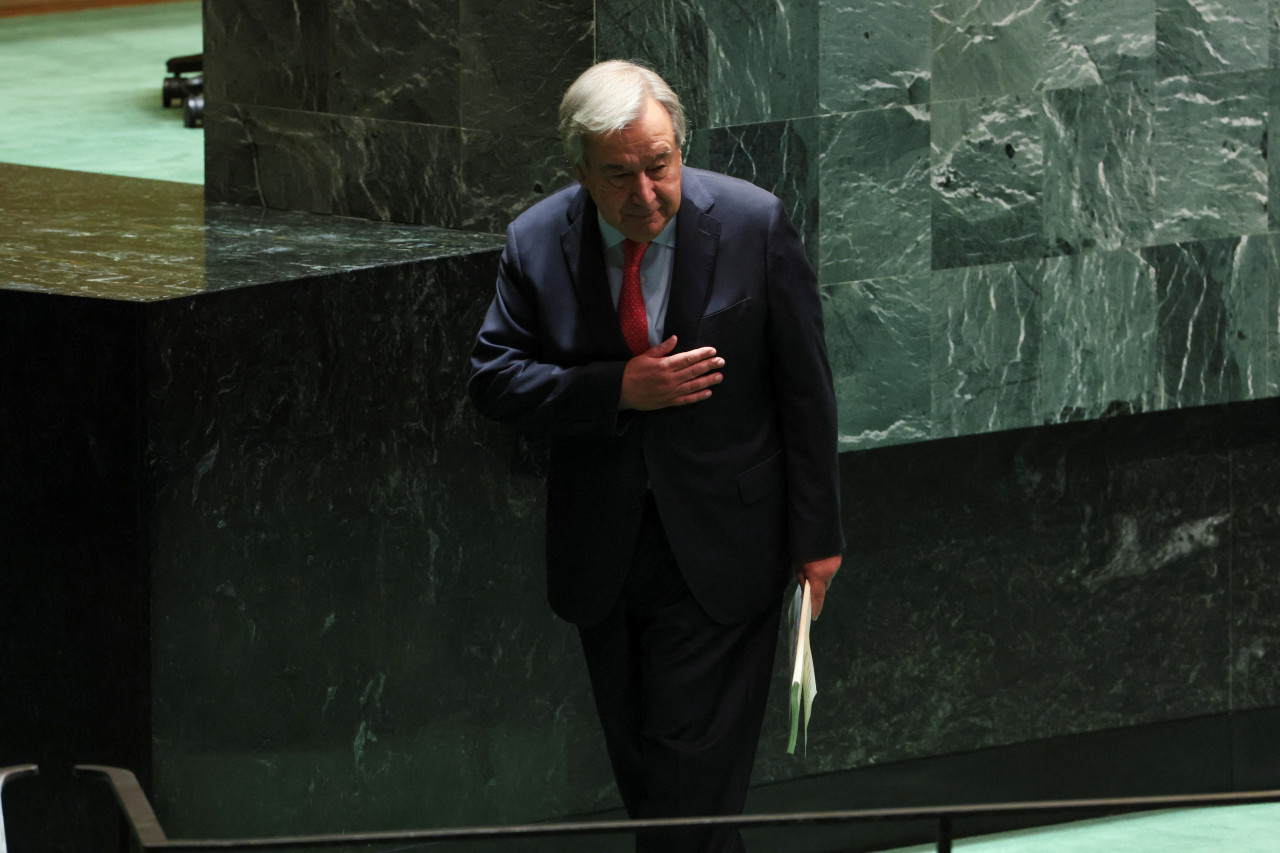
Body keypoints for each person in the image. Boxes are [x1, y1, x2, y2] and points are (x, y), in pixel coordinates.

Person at [468, 60, 844, 853]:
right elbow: (494, 379)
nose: (645, 195)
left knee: (683, 779)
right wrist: (616, 390)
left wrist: (820, 538)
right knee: (653, 777)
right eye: (619, 177)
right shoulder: (536, 241)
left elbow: (805, 391)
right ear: (579, 173)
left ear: (680, 146)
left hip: (724, 547)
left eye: (659, 165)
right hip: (604, 553)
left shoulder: (754, 223)